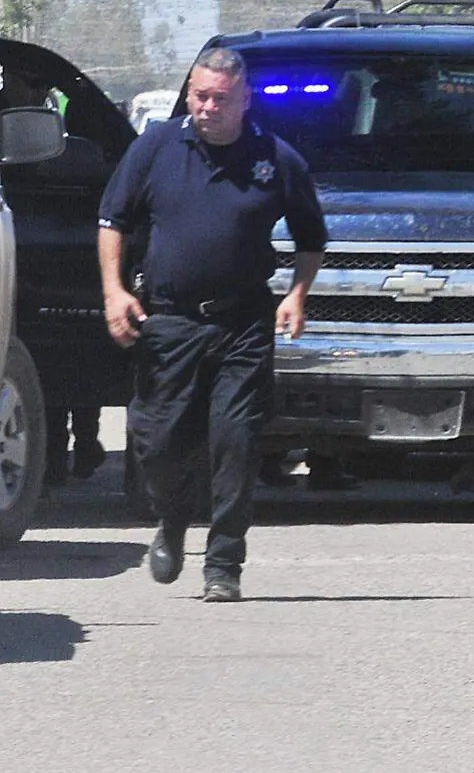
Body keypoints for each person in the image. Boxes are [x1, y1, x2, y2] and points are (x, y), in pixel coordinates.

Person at [98, 46, 327, 602]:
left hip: (243, 322)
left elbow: (311, 238)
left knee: (237, 442)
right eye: (199, 95)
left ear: (244, 100)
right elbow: (113, 221)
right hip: (169, 320)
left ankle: (224, 564)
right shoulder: (155, 148)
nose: (207, 107)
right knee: (159, 439)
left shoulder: (276, 159)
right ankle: (171, 521)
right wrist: (114, 290)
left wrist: (297, 294)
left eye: (220, 99)